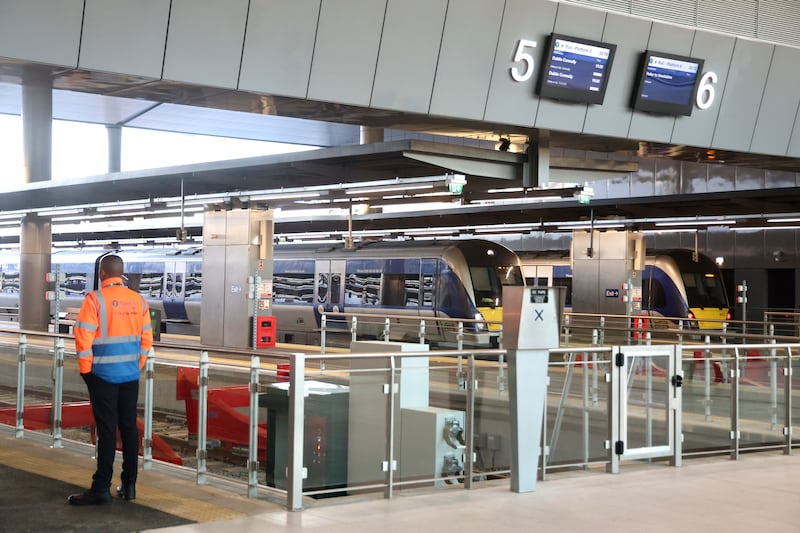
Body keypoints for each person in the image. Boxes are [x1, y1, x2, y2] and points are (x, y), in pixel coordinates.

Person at [67, 254, 153, 506]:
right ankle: (129, 485)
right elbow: (147, 340)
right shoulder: (139, 301)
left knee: (106, 431)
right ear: (121, 274)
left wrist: (86, 372)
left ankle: (101, 488)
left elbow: (83, 337)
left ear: (103, 273)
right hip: (129, 375)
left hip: (102, 375)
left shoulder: (94, 300)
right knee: (128, 428)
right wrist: (135, 366)